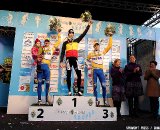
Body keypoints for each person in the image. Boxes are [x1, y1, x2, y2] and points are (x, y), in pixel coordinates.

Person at [60, 20, 92, 96]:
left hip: (75, 60)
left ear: (73, 34)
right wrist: (61, 61)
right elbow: (62, 52)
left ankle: (78, 91)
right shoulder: (65, 43)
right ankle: (69, 91)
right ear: (68, 34)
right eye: (70, 33)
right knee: (68, 75)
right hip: (68, 60)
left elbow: (83, 34)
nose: (71, 34)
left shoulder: (77, 40)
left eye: (72, 33)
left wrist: (88, 25)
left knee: (79, 74)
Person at [87, 34, 112, 107]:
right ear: (94, 47)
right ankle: (96, 101)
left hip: (101, 71)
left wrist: (110, 37)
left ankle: (105, 101)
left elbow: (109, 46)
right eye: (95, 46)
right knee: (94, 87)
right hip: (94, 71)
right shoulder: (90, 54)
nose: (97, 47)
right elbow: (87, 60)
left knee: (104, 86)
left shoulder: (102, 52)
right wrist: (90, 65)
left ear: (99, 47)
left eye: (98, 46)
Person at [37, 30, 61, 105]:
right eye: (45, 42)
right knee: (39, 84)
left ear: (49, 43)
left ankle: (47, 100)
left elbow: (58, 42)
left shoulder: (52, 48)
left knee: (47, 84)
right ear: (44, 43)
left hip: (47, 67)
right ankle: (39, 100)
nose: (46, 43)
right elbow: (36, 56)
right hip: (40, 67)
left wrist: (59, 33)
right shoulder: (41, 49)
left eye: (47, 42)